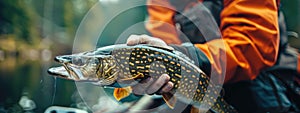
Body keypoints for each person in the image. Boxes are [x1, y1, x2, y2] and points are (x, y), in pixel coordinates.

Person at [125, 0, 300, 112]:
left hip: (265, 84)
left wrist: (185, 58)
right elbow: (166, 44)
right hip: (198, 88)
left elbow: (249, 47)